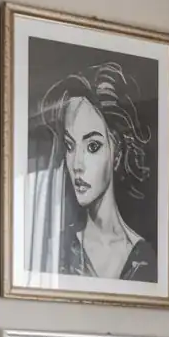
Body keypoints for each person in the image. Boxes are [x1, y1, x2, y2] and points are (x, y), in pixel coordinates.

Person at [29, 61, 156, 282]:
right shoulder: (58, 247)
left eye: (92, 146)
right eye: (70, 146)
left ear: (117, 152)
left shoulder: (146, 260)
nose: (77, 164)